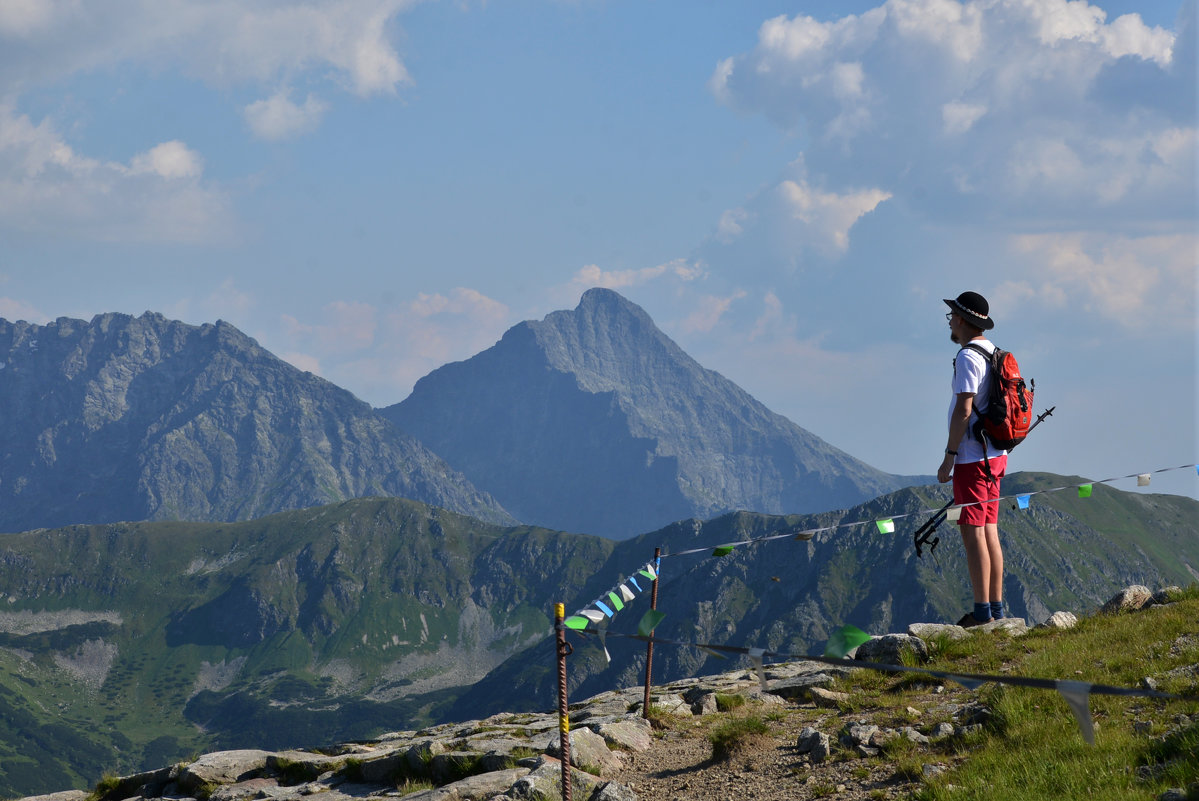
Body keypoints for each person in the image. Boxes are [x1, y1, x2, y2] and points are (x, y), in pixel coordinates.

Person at [937, 291, 1007, 628]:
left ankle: (981, 613)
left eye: (952, 316)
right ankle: (996, 608)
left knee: (973, 531)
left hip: (972, 457)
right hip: (995, 453)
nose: (949, 321)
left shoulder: (967, 356)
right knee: (989, 528)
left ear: (963, 320)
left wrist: (949, 457)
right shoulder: (993, 352)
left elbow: (965, 408)